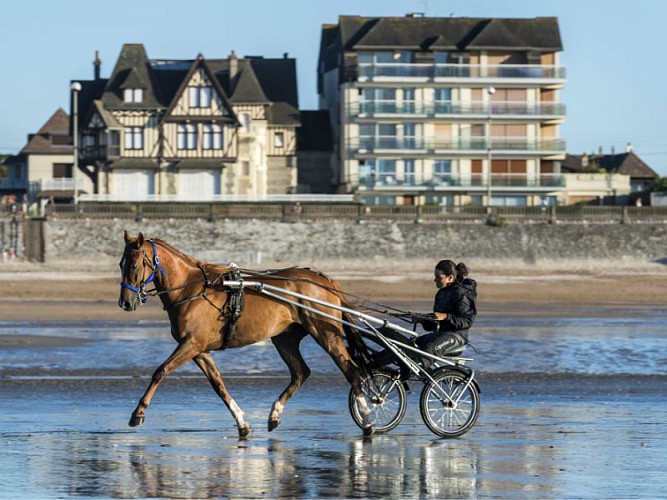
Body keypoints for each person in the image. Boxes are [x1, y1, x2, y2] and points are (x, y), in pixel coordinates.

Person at [370, 259, 477, 371]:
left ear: (450, 277)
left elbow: (467, 321)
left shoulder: (462, 293)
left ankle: (414, 368)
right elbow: (433, 324)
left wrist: (445, 316)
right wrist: (422, 319)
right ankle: (372, 364)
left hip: (457, 336)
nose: (434, 279)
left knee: (429, 350)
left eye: (438, 277)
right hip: (438, 334)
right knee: (406, 347)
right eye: (434, 276)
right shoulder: (441, 294)